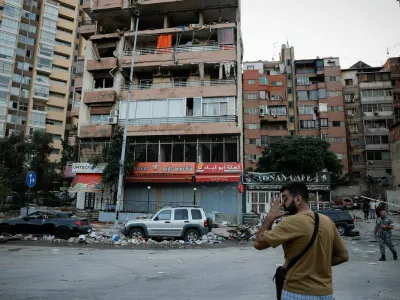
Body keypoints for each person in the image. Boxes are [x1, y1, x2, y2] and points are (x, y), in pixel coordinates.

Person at [254, 182, 349, 300]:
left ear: (298, 199)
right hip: (326, 294)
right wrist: (316, 264)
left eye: (285, 198)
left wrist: (270, 218)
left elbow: (258, 243)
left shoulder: (291, 222)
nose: (282, 204)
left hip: (297, 293)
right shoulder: (327, 221)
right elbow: (343, 256)